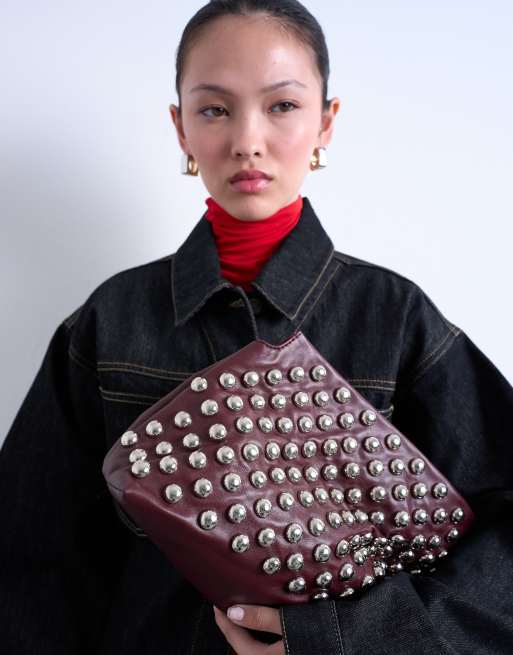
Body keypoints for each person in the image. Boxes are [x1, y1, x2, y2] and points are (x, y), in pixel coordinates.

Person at [1, 1, 512, 654]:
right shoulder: (110, 320)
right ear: (180, 127)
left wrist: (344, 636)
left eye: (282, 105)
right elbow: (31, 560)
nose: (247, 139)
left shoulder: (393, 316)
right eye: (214, 109)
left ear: (326, 121)